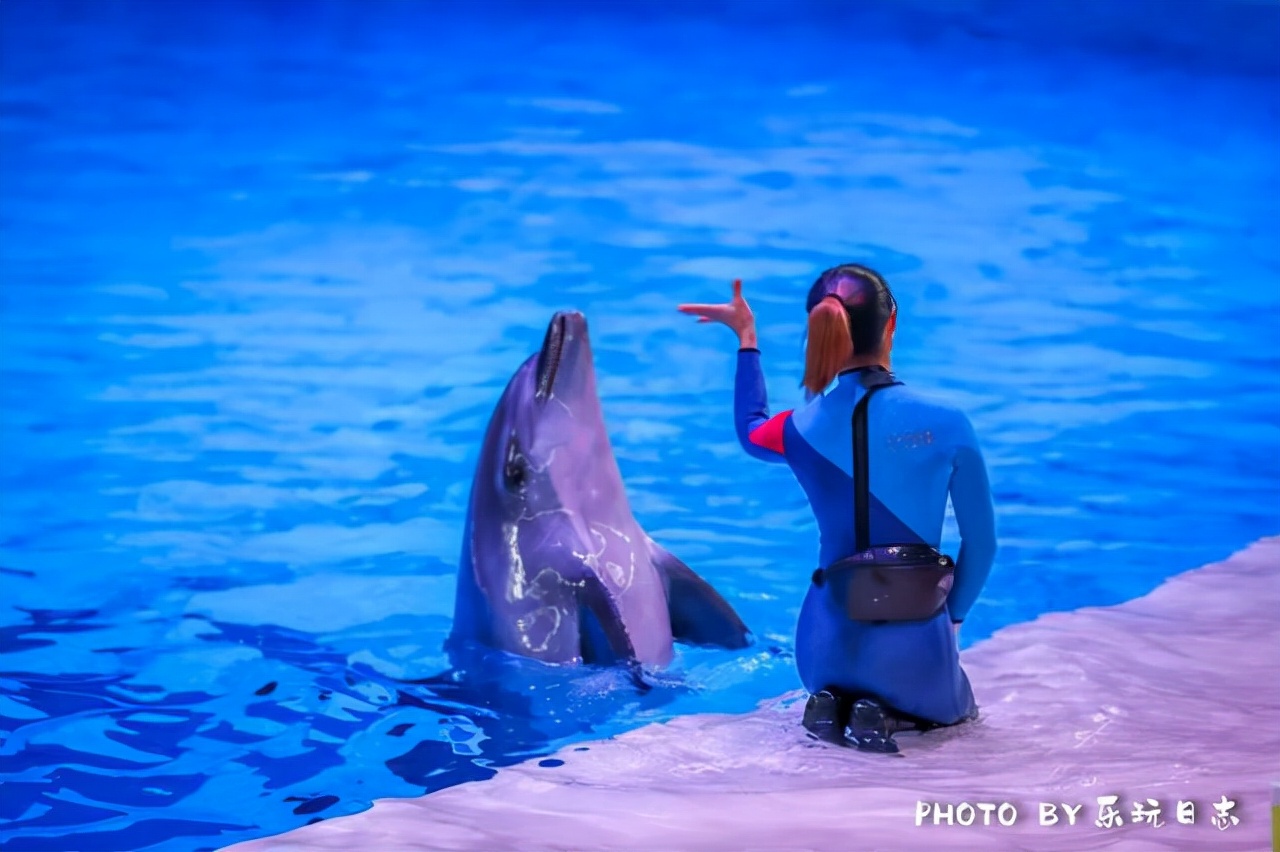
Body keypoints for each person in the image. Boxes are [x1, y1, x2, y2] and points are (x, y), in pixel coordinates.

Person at [677, 265, 997, 753]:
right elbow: (982, 543)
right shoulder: (947, 422)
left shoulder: (798, 427)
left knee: (836, 674)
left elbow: (750, 428)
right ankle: (886, 715)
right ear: (891, 325)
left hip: (821, 645)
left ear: (822, 332)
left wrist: (746, 337)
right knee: (961, 721)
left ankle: (831, 700)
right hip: (912, 643)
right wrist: (948, 624)